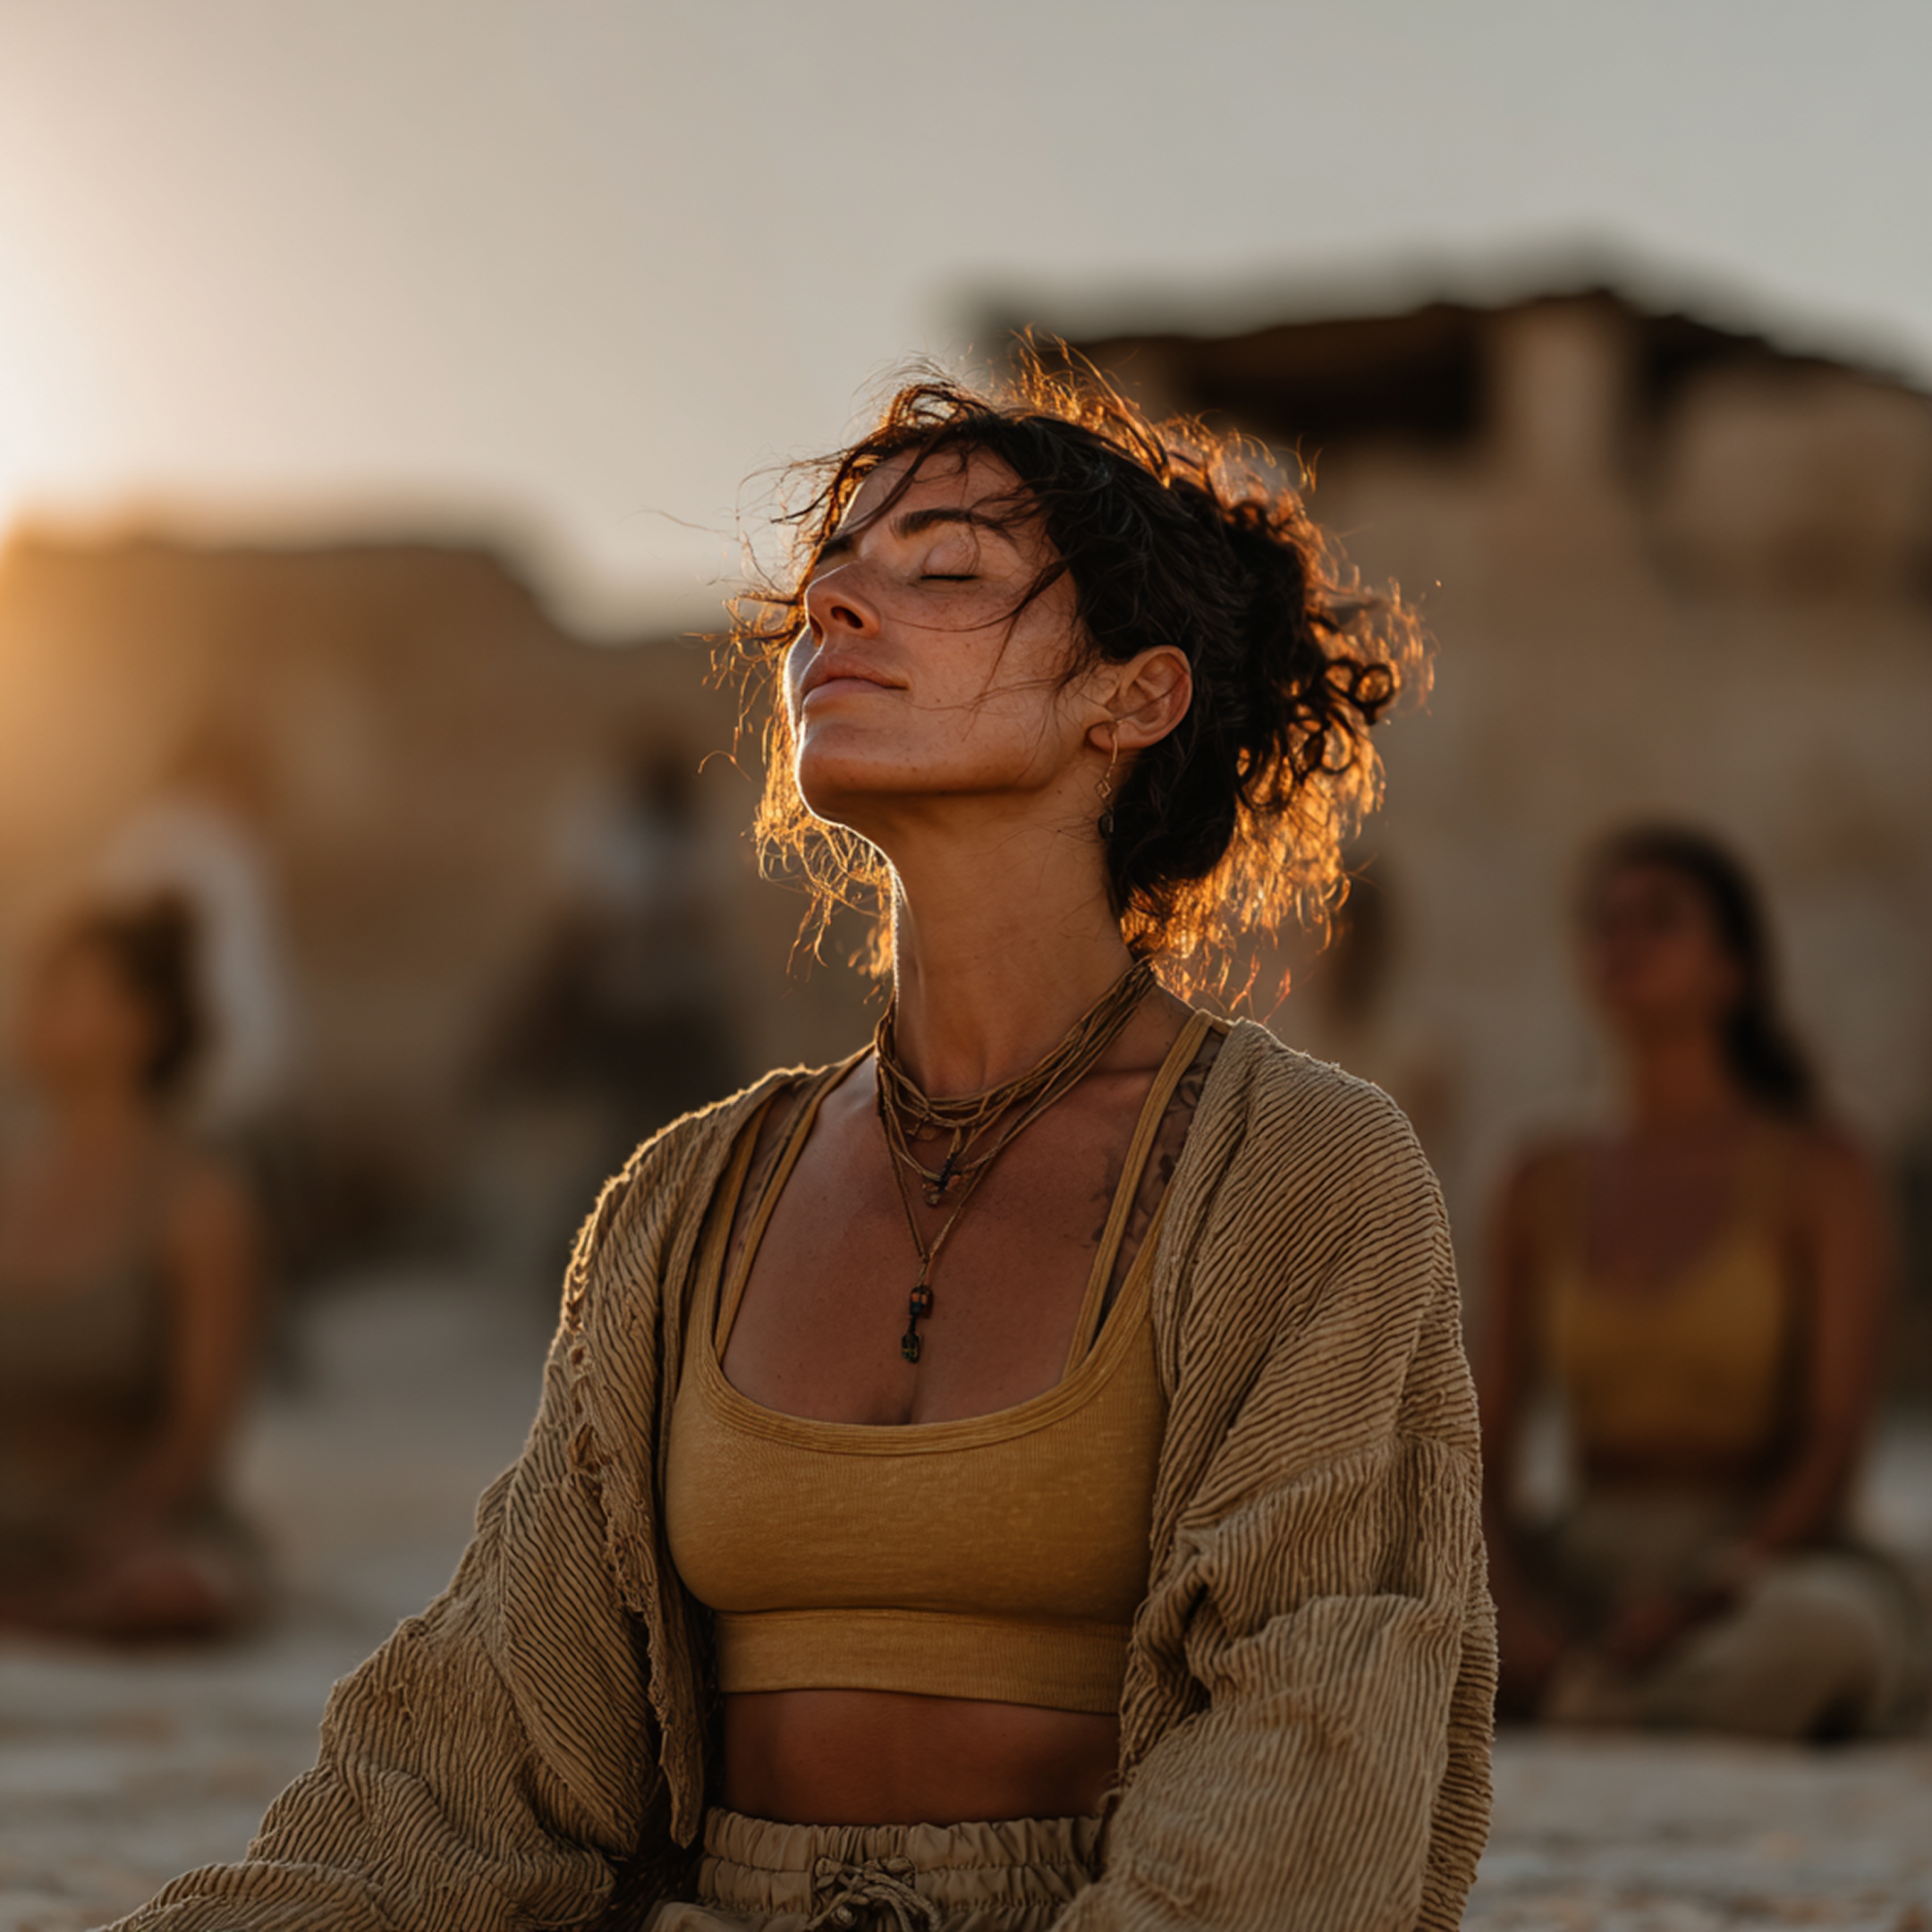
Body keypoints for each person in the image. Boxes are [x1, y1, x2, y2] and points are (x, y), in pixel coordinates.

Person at [113, 365, 1493, 1932]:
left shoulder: (1303, 1172)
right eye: (833, 574)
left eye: (948, 572)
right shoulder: (688, 1199)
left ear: (1133, 696)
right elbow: (474, 1759)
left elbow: (1314, 1742)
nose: (835, 609)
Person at [1480, 826, 1927, 1739]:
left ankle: (1588, 1706)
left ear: (1734, 970)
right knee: (1379, 1593)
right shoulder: (1540, 1180)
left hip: (1760, 1558)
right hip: (1584, 1553)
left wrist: (1706, 1592)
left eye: (1660, 920)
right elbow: (1485, 1441)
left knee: (1832, 1637)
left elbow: (1834, 1443)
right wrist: (1507, 1594)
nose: (1623, 943)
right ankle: (1578, 1687)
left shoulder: (1821, 1167)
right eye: (1605, 924)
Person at [0, 898, 265, 1639]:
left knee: (172, 1593)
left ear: (140, 1025)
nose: (33, 1011)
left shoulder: (199, 1201)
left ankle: (52, 1608)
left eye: (64, 992)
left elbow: (198, 1425)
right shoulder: (10, 1178)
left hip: (135, 1519)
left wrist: (113, 1533)